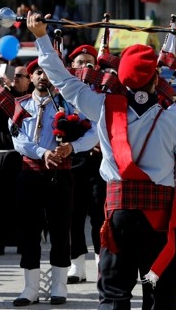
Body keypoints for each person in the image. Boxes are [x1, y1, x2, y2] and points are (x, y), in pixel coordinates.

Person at [26, 11, 176, 310]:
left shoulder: (103, 106)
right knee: (159, 295)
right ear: (157, 78)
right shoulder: (173, 118)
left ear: (121, 77)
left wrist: (41, 37)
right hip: (159, 219)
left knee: (115, 293)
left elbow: (61, 80)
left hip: (119, 216)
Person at [9, 58, 98, 306]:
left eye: (47, 72)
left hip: (61, 175)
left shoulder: (69, 106)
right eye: (38, 72)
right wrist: (42, 152)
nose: (42, 76)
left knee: (61, 229)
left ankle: (59, 286)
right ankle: (30, 288)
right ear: (31, 78)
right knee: (29, 231)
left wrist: (73, 146)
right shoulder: (20, 105)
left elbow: (94, 131)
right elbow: (18, 140)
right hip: (30, 173)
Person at [0, 65, 32, 256]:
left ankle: (21, 241)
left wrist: (6, 92)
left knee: (22, 201)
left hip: (22, 157)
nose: (15, 79)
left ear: (29, 80)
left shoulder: (29, 98)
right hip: (1, 157)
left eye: (20, 76)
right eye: (13, 76)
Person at [65, 44, 106, 284]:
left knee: (99, 212)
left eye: (90, 61)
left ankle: (103, 264)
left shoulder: (101, 92)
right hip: (72, 160)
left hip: (97, 159)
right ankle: (77, 266)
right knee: (74, 214)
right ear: (72, 67)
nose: (85, 66)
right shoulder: (63, 91)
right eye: (80, 62)